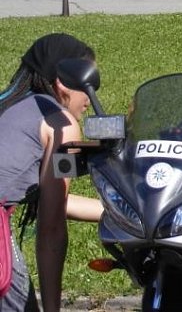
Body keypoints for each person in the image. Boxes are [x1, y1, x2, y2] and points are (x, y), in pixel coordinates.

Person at [0, 33, 104, 312]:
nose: (92, 96)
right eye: (90, 82)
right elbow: (51, 228)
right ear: (65, 83)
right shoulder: (59, 124)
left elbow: (56, 201)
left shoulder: (11, 108)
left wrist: (123, 212)